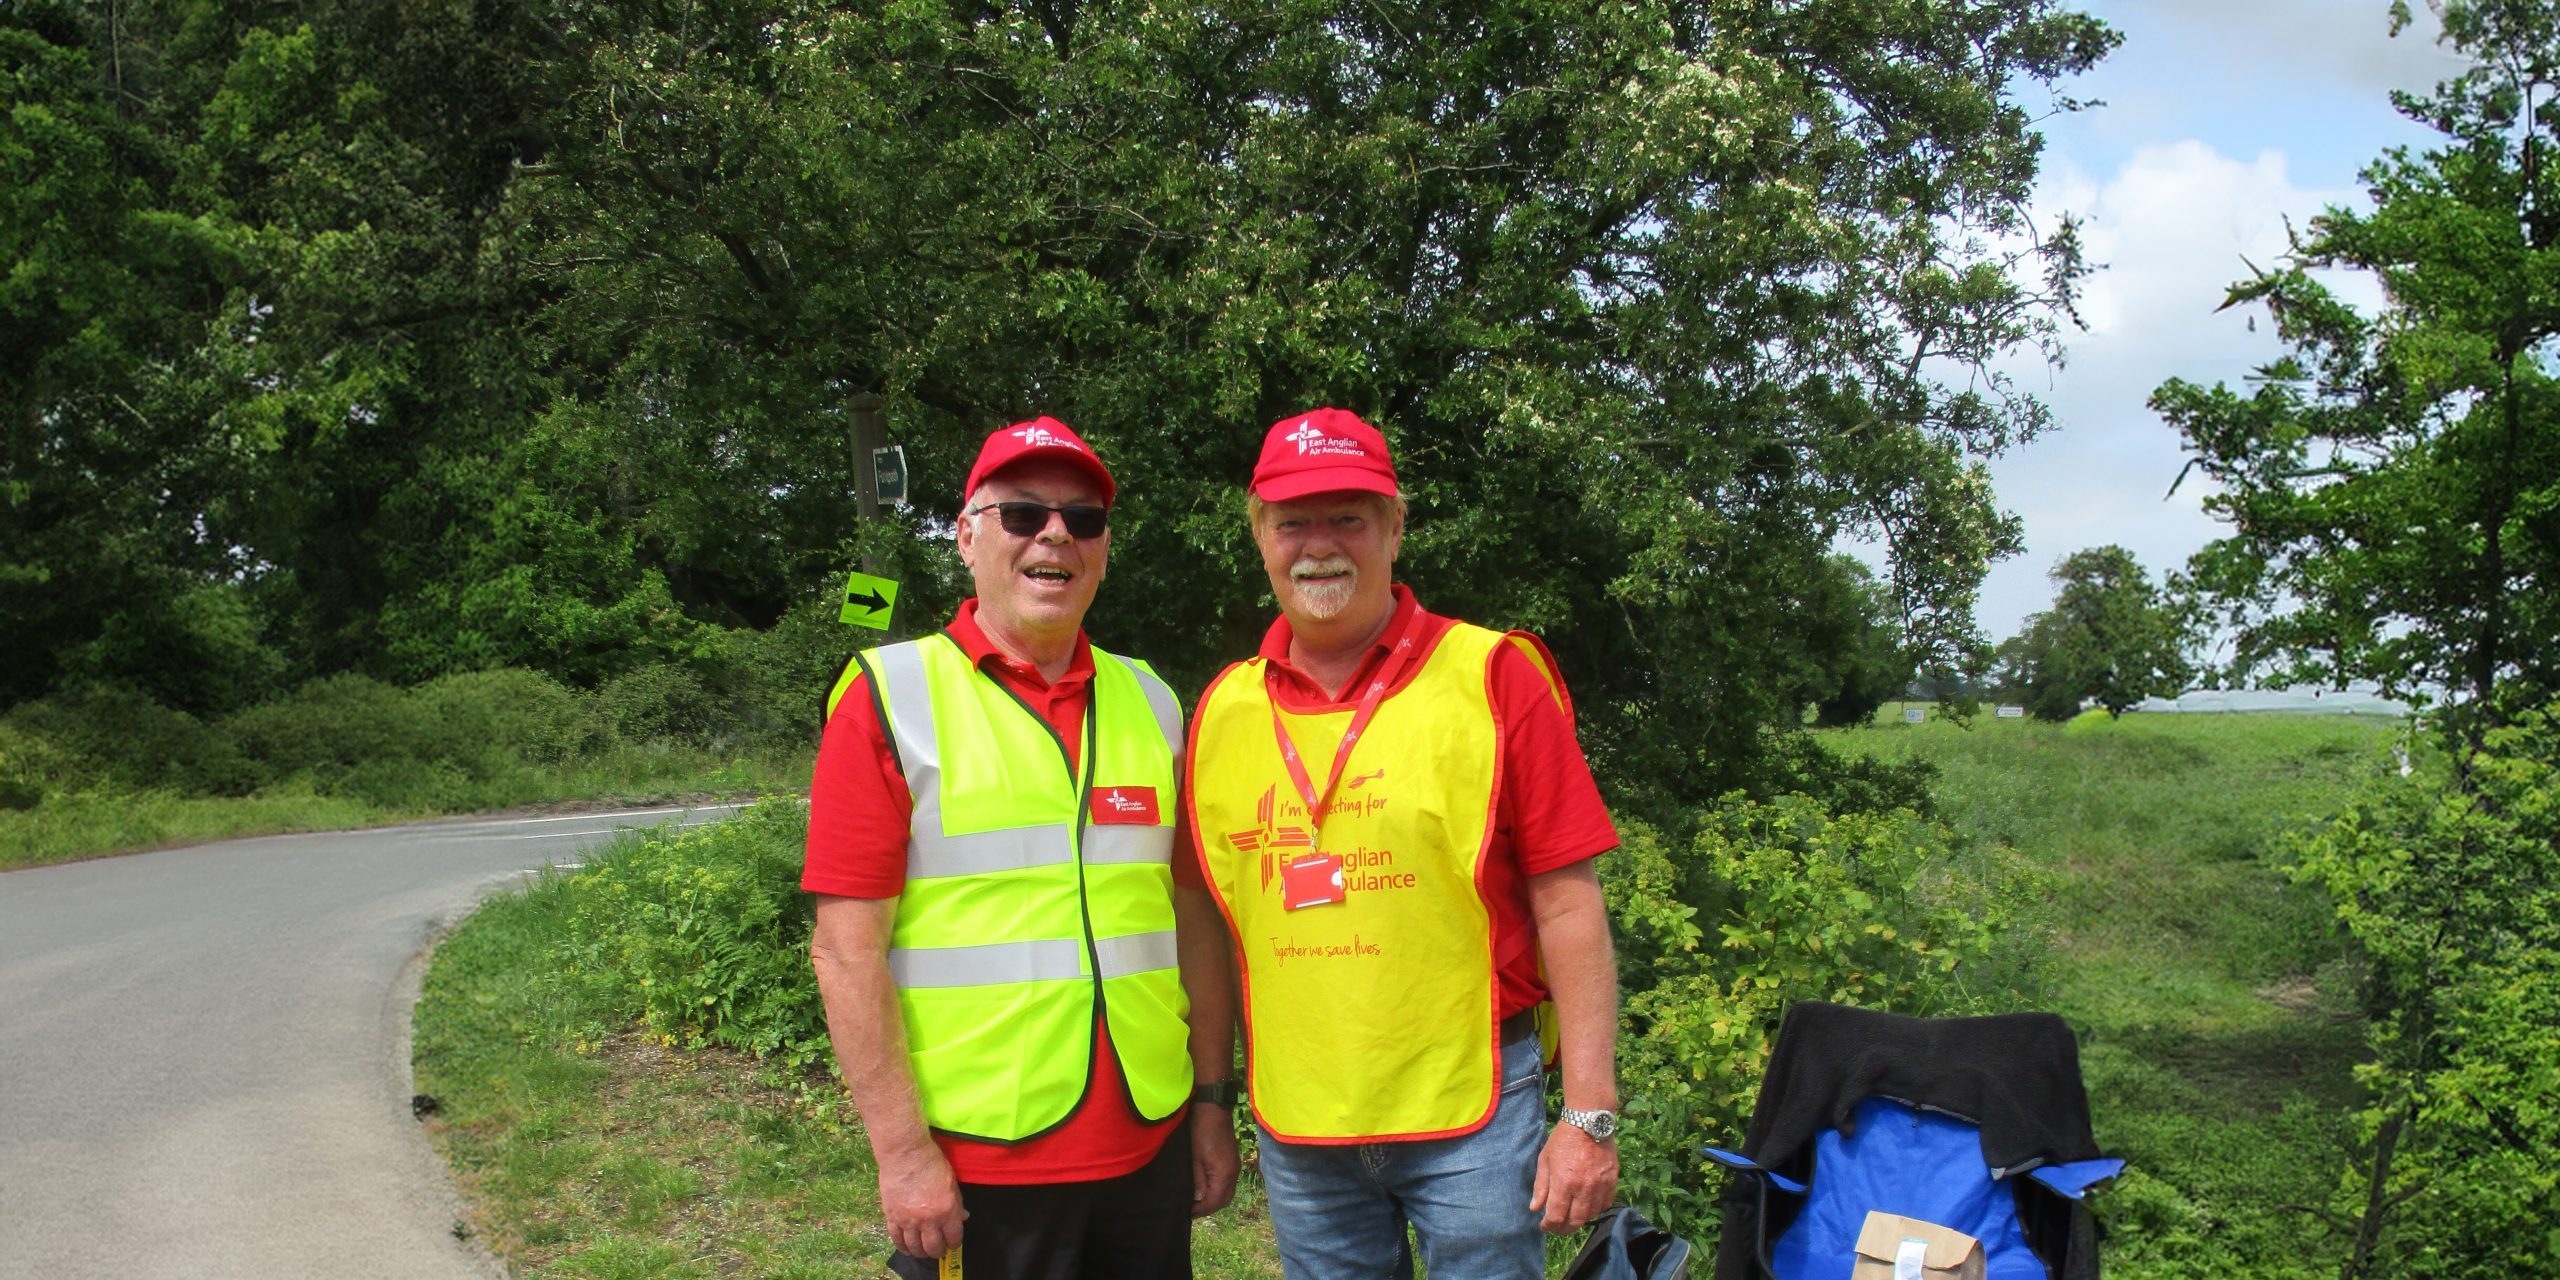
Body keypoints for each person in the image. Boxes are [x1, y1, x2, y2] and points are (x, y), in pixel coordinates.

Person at [1181, 406, 1624, 1280]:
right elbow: (1203, 921)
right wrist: (1210, 1102)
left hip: (1474, 1113)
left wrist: (1590, 1116)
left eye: (1348, 516)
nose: (1319, 545)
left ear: (1394, 527)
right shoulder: (1223, 709)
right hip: (1302, 1121)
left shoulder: (1493, 674)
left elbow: (1569, 903)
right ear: (1259, 535)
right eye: (1292, 521)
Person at [805, 416, 1240, 1280]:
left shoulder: (1153, 701)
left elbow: (1192, 919)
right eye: (1023, 514)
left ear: (1103, 549)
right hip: (982, 1162)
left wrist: (1210, 1104)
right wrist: (902, 1154)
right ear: (967, 537)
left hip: (1148, 1146)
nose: (1055, 535)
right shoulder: (890, 696)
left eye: (1083, 519)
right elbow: (845, 950)